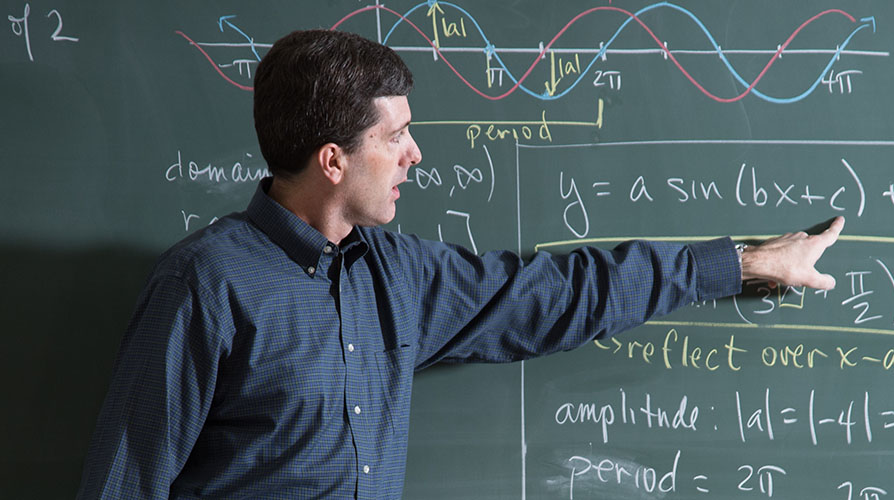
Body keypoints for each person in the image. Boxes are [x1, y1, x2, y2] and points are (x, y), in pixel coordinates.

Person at [76, 29, 844, 499]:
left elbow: (557, 294)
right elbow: (124, 481)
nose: (415, 153)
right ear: (334, 159)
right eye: (396, 137)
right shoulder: (205, 285)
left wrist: (744, 263)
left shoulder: (398, 276)